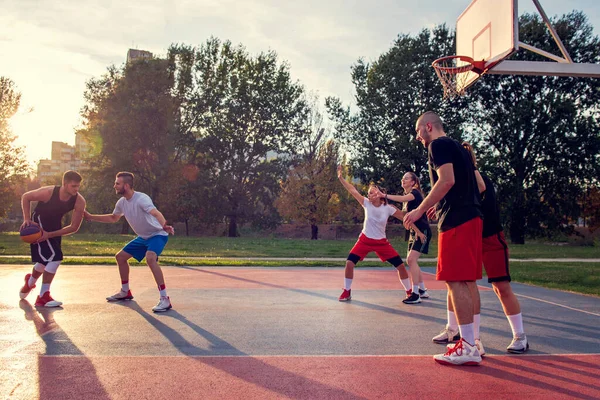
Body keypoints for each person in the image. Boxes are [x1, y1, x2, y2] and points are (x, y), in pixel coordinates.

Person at [404, 111, 483, 366]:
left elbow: (446, 180)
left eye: (418, 131)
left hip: (458, 221)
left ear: (429, 126)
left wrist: (418, 209)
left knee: (455, 280)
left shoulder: (437, 145)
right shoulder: (459, 148)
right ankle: (473, 342)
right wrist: (438, 205)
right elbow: (470, 186)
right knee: (465, 281)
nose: (418, 137)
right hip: (471, 216)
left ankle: (468, 346)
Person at [458, 142, 529, 353]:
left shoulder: (481, 179)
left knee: (501, 287)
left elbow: (480, 189)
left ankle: (520, 337)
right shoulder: (460, 183)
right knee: (468, 286)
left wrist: (470, 165)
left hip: (491, 238)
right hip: (473, 239)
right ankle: (475, 340)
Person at [84, 172, 175, 313]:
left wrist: (164, 226)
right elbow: (114, 218)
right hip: (143, 237)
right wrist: (91, 217)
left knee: (150, 258)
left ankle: (164, 299)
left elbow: (156, 213)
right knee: (120, 257)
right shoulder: (122, 203)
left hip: (158, 234)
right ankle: (125, 291)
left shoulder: (141, 199)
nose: (114, 186)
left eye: (117, 183)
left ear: (126, 186)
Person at [337, 165, 425, 304]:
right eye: (368, 193)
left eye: (372, 192)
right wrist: (341, 178)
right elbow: (352, 190)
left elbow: (406, 218)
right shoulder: (366, 203)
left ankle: (409, 291)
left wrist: (419, 232)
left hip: (381, 242)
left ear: (380, 194)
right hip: (364, 240)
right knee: (349, 263)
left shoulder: (388, 208)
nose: (369, 195)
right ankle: (347, 291)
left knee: (401, 266)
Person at [19, 170, 87, 307]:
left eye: (78, 186)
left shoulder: (79, 201)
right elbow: (26, 197)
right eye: (73, 186)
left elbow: (74, 227)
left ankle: (30, 282)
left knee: (45, 260)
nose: (76, 189)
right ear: (65, 183)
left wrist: (50, 234)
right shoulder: (49, 192)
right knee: (55, 257)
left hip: (54, 226)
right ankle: (43, 296)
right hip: (38, 224)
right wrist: (26, 219)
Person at [378, 172, 432, 304]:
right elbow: (405, 216)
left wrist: (384, 195)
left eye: (406, 178)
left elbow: (403, 200)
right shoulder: (408, 199)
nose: (403, 180)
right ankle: (423, 290)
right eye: (402, 178)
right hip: (416, 231)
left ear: (413, 182)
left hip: (422, 231)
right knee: (411, 261)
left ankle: (415, 294)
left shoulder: (415, 193)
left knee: (411, 259)